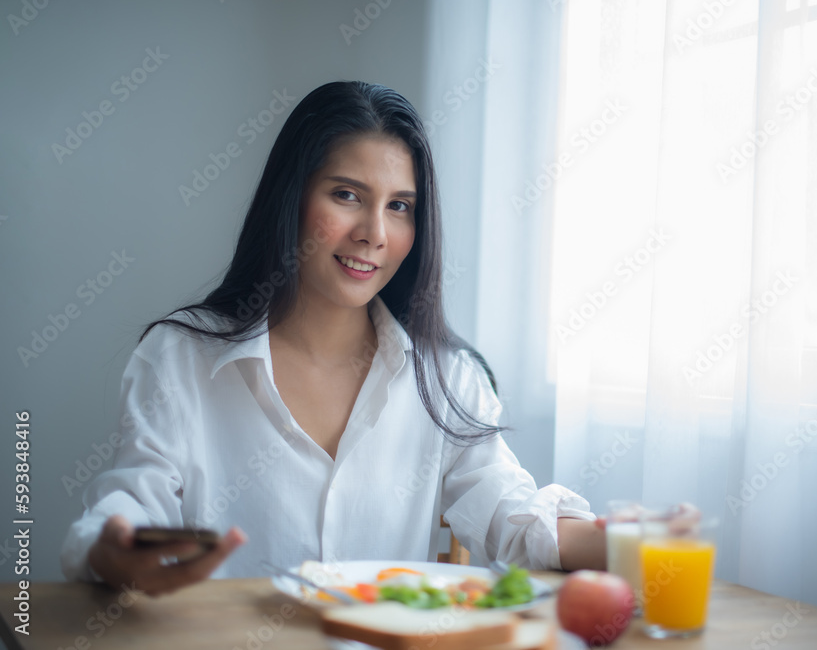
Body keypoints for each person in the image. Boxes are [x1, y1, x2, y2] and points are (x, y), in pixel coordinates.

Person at [61, 81, 606, 596]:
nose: (374, 232)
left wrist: (633, 540)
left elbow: (513, 518)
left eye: (399, 206)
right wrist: (117, 553)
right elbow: (126, 514)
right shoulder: (181, 357)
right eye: (347, 195)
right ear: (291, 198)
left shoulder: (445, 376)